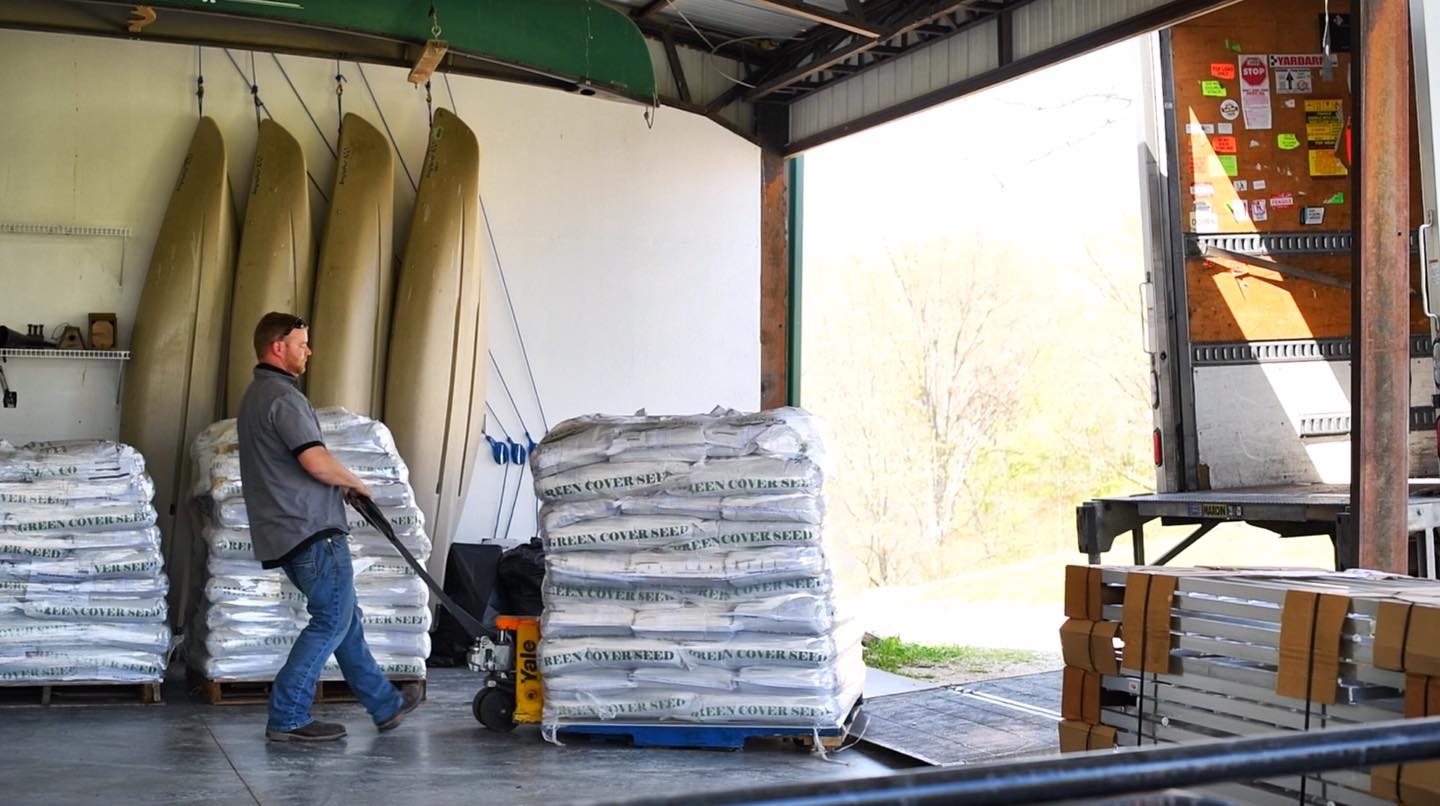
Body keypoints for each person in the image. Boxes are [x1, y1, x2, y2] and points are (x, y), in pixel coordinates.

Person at [237, 311, 420, 742]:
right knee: (331, 619)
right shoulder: (283, 399)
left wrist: (340, 489)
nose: (309, 351)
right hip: (310, 530)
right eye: (302, 344)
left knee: (344, 619)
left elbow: (288, 466)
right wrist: (357, 484)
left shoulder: (257, 397)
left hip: (287, 527)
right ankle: (287, 715)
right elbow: (314, 460)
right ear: (278, 347)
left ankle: (384, 704)